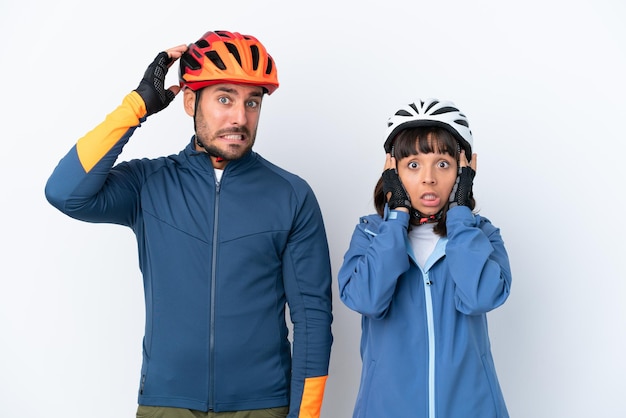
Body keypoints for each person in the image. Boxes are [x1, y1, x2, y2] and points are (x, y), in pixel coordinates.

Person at [45, 30, 333, 418]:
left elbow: (313, 318)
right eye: (225, 99)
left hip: (262, 405)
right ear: (190, 101)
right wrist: (137, 106)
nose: (240, 117)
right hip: (167, 402)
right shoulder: (149, 183)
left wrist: (306, 415)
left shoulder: (291, 195)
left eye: (252, 102)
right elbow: (66, 192)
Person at [337, 99, 512, 418]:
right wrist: (396, 217)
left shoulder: (481, 235)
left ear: (465, 169)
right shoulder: (372, 234)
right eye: (413, 165)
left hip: (472, 409)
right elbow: (366, 299)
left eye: (443, 164)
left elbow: (480, 297)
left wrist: (460, 212)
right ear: (392, 170)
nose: (428, 178)